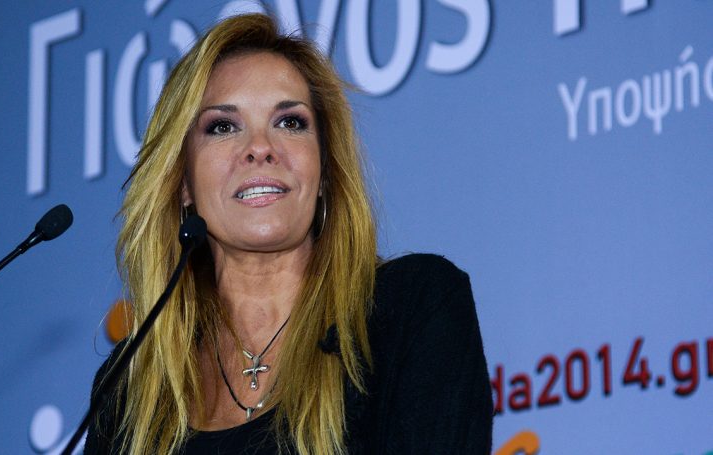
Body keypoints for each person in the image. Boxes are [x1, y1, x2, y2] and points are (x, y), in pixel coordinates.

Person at [84, 13, 492, 455]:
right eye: (223, 126)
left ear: (325, 170)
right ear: (183, 183)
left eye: (290, 122)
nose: (260, 148)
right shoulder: (131, 387)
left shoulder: (411, 308)